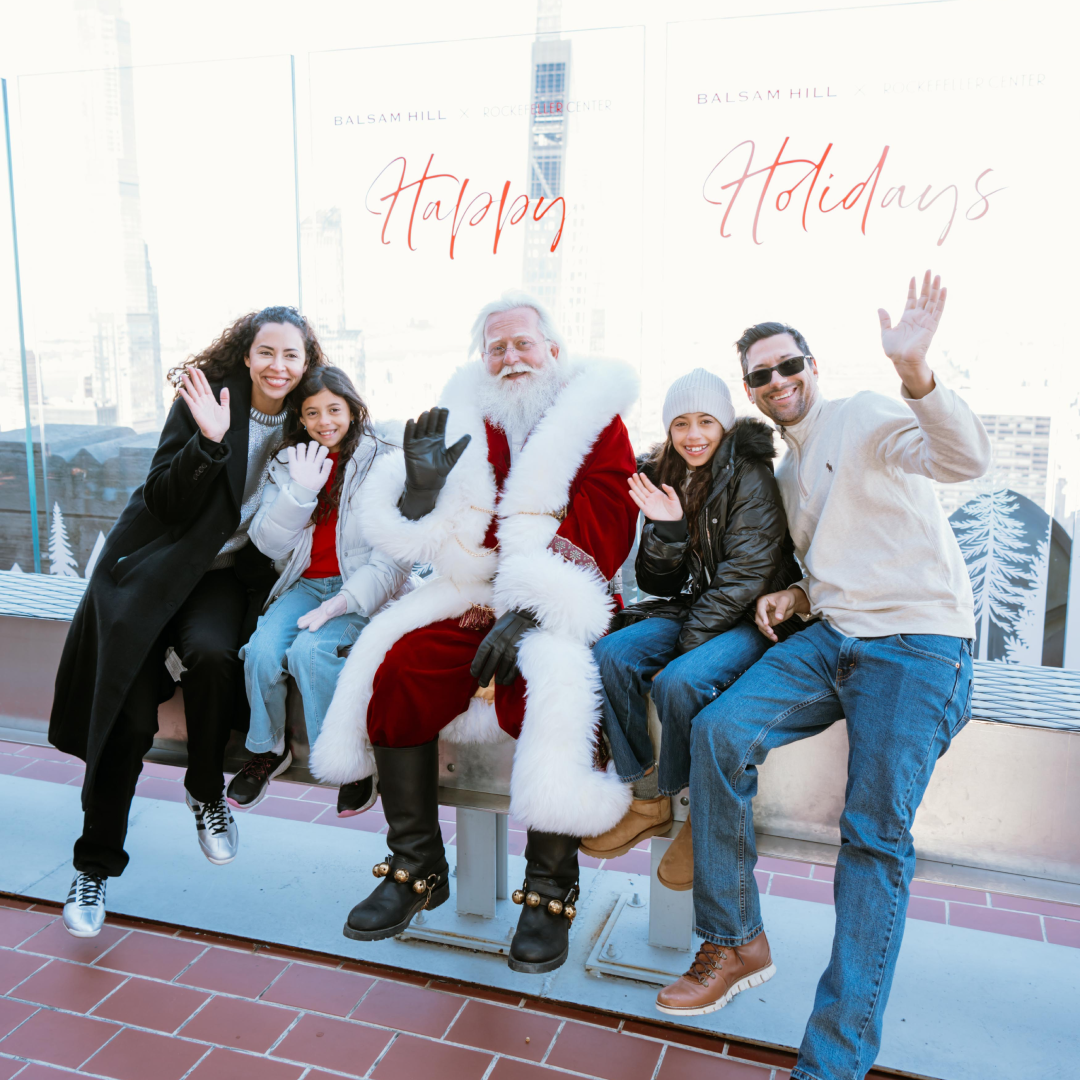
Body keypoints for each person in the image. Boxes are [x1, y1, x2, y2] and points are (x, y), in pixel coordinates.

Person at [656, 273, 990, 1080]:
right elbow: (837, 556)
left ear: (813, 365)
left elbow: (961, 458)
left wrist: (915, 370)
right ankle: (736, 939)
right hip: (834, 639)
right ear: (751, 392)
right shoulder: (788, 471)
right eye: (762, 376)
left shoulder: (866, 413)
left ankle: (832, 1063)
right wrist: (798, 590)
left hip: (915, 648)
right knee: (717, 729)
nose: (780, 383)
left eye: (789, 365)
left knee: (873, 842)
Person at [310, 291, 638, 973]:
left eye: (523, 344)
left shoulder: (596, 420)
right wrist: (422, 495)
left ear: (552, 349)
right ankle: (416, 865)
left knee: (554, 689)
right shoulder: (463, 414)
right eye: (497, 348)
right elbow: (436, 535)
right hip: (473, 594)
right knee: (399, 668)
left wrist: (529, 607)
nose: (511, 358)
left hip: (562, 597)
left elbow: (607, 522)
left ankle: (550, 889)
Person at [50, 306, 323, 937]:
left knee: (212, 655)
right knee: (128, 713)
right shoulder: (211, 399)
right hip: (154, 567)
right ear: (247, 354)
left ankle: (206, 794)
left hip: (224, 577)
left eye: (292, 356)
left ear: (307, 362)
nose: (278, 367)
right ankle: (93, 866)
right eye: (267, 353)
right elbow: (165, 498)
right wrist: (208, 441)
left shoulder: (310, 417)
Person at [582, 369, 799, 889]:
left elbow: (746, 578)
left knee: (679, 680)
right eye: (681, 423)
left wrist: (686, 647)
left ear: (724, 425)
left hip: (753, 615)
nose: (693, 434)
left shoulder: (751, 474)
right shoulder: (666, 472)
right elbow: (658, 581)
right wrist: (669, 529)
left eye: (705, 421)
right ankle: (648, 797)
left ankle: (699, 815)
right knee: (610, 655)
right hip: (696, 607)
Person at [226, 366, 410, 815]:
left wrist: (342, 603)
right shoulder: (290, 462)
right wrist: (300, 493)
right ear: (301, 419)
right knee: (263, 651)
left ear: (352, 408)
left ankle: (352, 763)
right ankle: (269, 749)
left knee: (311, 652)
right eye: (312, 413)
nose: (324, 421)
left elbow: (395, 561)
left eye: (334, 409)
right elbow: (269, 544)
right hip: (306, 585)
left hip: (362, 590)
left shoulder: (384, 462)